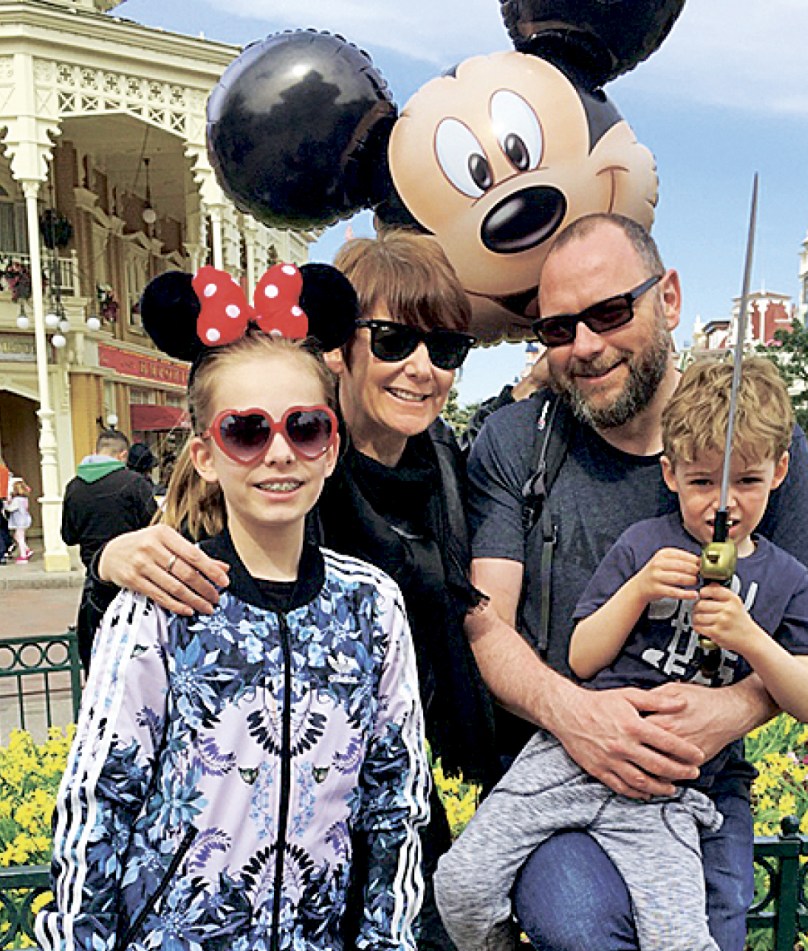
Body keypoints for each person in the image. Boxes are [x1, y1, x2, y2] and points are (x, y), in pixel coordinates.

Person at [90, 231, 498, 951]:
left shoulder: (450, 472)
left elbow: (394, 783)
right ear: (343, 347)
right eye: (397, 339)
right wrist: (110, 559)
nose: (421, 367)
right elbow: (110, 772)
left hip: (360, 850)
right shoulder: (254, 499)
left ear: (327, 437)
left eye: (447, 349)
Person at [463, 213, 808, 951]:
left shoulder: (753, 440)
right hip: (561, 763)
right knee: (584, 924)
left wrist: (728, 709)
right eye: (559, 329)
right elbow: (485, 620)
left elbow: (804, 630)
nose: (586, 345)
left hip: (699, 780)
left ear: (667, 297)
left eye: (608, 312)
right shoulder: (516, 442)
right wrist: (578, 717)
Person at [36, 290, 429, 951]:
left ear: (331, 448)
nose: (280, 453)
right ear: (206, 457)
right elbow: (98, 798)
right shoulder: (158, 604)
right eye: (247, 431)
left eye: (303, 427)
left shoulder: (372, 605)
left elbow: (396, 797)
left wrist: (388, 939)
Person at [61, 429, 158, 671]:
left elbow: (68, 536)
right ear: (123, 454)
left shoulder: (74, 487)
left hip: (94, 588)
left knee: (95, 659)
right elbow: (157, 528)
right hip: (136, 586)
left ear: (96, 452)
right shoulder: (134, 483)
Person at [4, 477, 32, 563]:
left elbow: (10, 509)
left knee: (20, 538)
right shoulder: (24, 499)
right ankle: (27, 550)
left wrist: (6, 503)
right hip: (25, 519)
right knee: (17, 536)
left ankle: (23, 555)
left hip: (19, 521)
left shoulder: (17, 500)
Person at [0, 458, 12, 563]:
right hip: (3, 499)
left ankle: (2, 553)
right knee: (3, 525)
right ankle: (8, 544)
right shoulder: (5, 471)